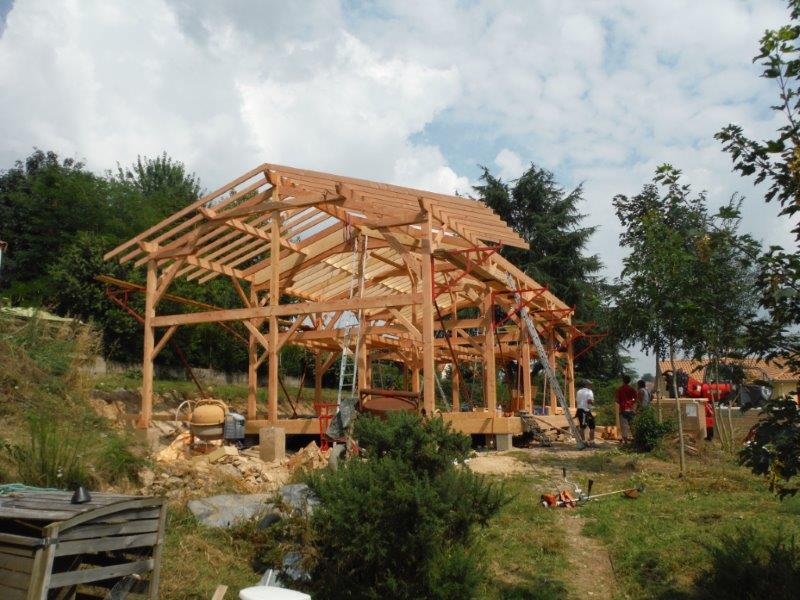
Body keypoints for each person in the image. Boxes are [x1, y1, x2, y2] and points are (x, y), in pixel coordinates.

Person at [615, 375, 637, 443]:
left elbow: (617, 400)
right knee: (633, 425)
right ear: (629, 381)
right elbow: (635, 399)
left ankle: (625, 441)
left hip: (623, 409)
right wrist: (631, 402)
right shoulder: (632, 389)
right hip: (631, 409)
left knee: (624, 426)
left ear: (623, 381)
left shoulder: (620, 389)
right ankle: (636, 440)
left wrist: (622, 402)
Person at [575, 379, 596, 447]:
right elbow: (589, 401)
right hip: (586, 410)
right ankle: (592, 442)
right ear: (586, 385)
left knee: (582, 426)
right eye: (589, 384)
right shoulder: (589, 391)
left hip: (580, 410)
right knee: (592, 426)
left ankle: (583, 442)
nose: (590, 385)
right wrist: (593, 404)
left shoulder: (578, 392)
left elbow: (577, 401)